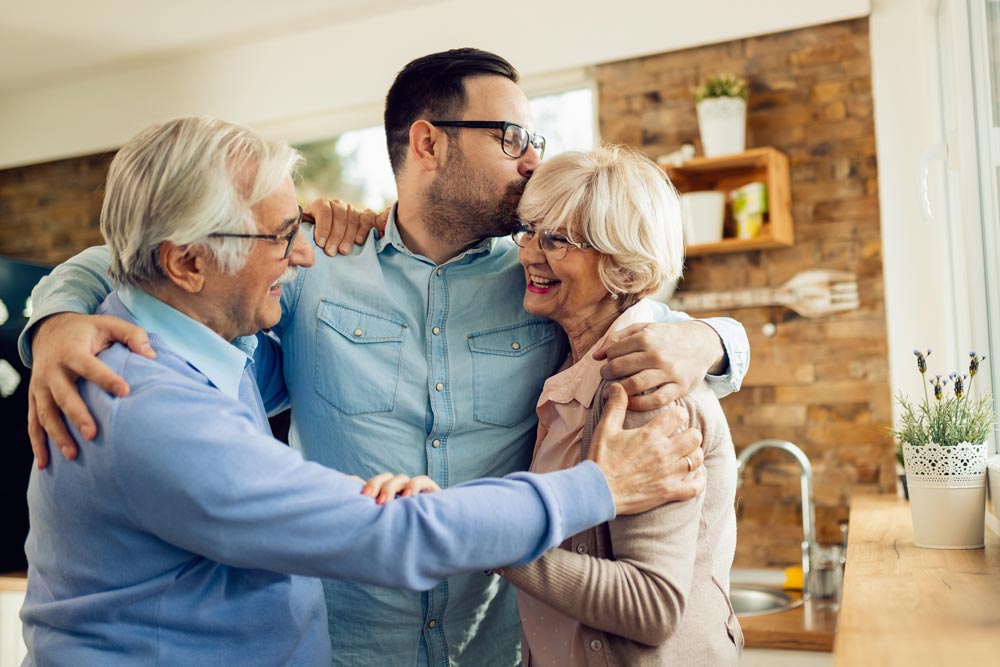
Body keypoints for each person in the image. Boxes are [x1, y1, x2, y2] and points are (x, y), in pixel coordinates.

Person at [19, 50, 750, 666]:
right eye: (513, 137)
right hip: (350, 645)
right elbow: (134, 258)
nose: (535, 159)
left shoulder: (537, 281)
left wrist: (713, 338)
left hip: (494, 646)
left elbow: (634, 305)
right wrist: (55, 320)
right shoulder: (309, 270)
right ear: (428, 143)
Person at [491, 144, 742, 665]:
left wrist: (486, 538)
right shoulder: (569, 369)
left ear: (624, 271)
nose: (530, 252)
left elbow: (650, 606)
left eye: (556, 240)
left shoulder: (646, 394)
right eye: (530, 230)